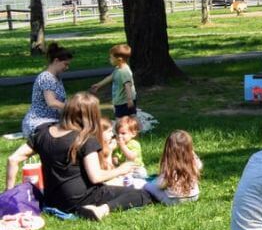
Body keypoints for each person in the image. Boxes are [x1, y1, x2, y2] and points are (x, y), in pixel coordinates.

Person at [6, 93, 153, 220]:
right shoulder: (85, 139)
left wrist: (9, 195)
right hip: (81, 198)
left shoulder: (43, 133)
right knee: (142, 194)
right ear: (90, 116)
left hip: (52, 200)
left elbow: (13, 159)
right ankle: (101, 210)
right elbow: (96, 177)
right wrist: (121, 169)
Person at [22, 43, 71, 138]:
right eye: (65, 64)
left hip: (52, 121)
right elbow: (52, 102)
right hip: (39, 121)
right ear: (56, 61)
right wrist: (73, 108)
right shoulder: (46, 77)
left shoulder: (57, 78)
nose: (67, 68)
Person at [145, 130, 203, 205]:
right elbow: (200, 165)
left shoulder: (170, 166)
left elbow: (160, 185)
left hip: (174, 200)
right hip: (194, 196)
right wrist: (192, 153)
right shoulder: (192, 162)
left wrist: (156, 182)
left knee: (147, 185)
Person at [89, 44, 137, 118]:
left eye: (111, 57)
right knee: (132, 115)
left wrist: (129, 100)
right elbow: (110, 77)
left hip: (124, 102)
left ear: (119, 59)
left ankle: (133, 124)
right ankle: (136, 124)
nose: (109, 59)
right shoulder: (118, 68)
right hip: (121, 100)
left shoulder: (124, 71)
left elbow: (127, 85)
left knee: (121, 118)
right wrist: (99, 85)